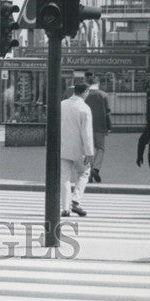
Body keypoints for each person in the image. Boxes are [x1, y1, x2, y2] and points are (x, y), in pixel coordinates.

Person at [60, 82, 94, 218]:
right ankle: (76, 199)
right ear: (85, 92)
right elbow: (87, 133)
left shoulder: (62, 105)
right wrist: (89, 152)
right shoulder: (84, 108)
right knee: (84, 172)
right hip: (79, 148)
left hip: (62, 146)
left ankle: (65, 208)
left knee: (64, 178)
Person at [83, 72, 112, 183]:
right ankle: (95, 168)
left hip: (86, 126)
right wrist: (109, 126)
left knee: (88, 149)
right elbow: (107, 113)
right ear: (97, 83)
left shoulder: (84, 95)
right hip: (100, 126)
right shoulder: (103, 95)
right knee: (100, 149)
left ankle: (89, 171)